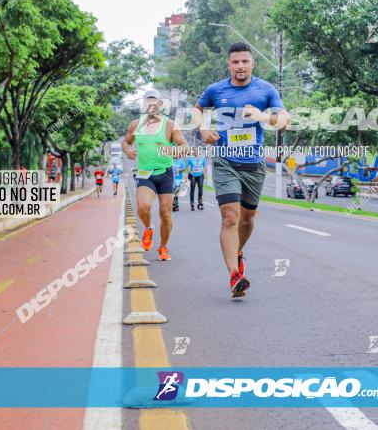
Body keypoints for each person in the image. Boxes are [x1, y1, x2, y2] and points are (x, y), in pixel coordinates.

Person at [196, 42, 289, 297]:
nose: (240, 66)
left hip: (254, 164)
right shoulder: (215, 90)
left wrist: (260, 116)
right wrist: (203, 128)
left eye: (244, 61)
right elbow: (198, 109)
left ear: (252, 64)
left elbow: (284, 121)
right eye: (235, 62)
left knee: (247, 220)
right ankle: (235, 275)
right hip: (225, 160)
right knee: (230, 217)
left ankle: (238, 251)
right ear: (228, 64)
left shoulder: (265, 89)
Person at [123, 89, 188, 262]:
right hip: (145, 175)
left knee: (166, 214)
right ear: (144, 105)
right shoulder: (136, 124)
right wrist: (127, 150)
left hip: (165, 174)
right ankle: (148, 228)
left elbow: (183, 144)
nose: (151, 105)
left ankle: (163, 247)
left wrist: (177, 151)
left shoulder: (169, 124)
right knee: (143, 208)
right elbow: (126, 141)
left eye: (155, 101)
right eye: (148, 101)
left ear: (160, 104)